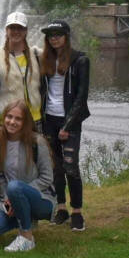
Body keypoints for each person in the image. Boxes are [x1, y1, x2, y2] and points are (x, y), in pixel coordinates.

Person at [0, 100, 55, 252]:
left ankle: (26, 237)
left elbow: (47, 177)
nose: (12, 122)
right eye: (9, 117)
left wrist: (18, 194)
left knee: (14, 187)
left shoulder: (37, 142)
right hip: (11, 198)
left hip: (41, 199)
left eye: (18, 119)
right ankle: (27, 218)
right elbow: (1, 176)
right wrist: (7, 200)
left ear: (25, 122)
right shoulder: (0, 142)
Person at [39, 20, 90, 231]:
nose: (54, 38)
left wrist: (67, 126)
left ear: (66, 36)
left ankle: (77, 211)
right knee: (55, 168)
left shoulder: (80, 60)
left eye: (58, 34)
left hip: (70, 121)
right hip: (49, 119)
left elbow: (81, 97)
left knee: (71, 167)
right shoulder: (45, 60)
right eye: (50, 35)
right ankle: (61, 208)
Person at [0, 11, 42, 135]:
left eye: (20, 28)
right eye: (12, 28)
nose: (16, 31)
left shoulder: (36, 56)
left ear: (26, 31)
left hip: (34, 119)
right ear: (6, 30)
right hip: (7, 121)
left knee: (34, 149)